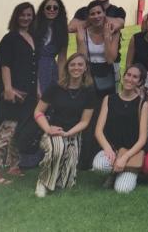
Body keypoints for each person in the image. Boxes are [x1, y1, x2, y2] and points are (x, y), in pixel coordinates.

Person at [33, 53, 96, 197]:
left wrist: (69, 133)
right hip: (53, 131)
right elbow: (38, 111)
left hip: (73, 133)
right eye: (72, 64)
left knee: (65, 184)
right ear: (67, 67)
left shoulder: (89, 91)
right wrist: (48, 128)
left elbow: (85, 121)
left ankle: (55, 176)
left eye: (80, 64)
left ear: (86, 68)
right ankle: (42, 182)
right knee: (58, 149)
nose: (76, 68)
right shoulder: (55, 87)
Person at [0, 2, 38, 184]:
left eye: (29, 15)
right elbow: (4, 64)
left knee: (19, 130)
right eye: (22, 14)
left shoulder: (32, 37)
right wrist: (8, 89)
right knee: (5, 131)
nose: (26, 18)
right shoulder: (10, 38)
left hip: (29, 94)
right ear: (16, 16)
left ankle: (14, 165)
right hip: (13, 94)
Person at [93, 64, 148, 193]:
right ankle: (113, 173)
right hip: (113, 150)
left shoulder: (142, 104)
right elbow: (98, 131)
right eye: (128, 75)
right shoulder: (109, 99)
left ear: (140, 82)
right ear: (123, 77)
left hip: (131, 153)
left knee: (122, 189)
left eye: (135, 77)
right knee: (99, 165)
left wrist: (124, 158)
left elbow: (142, 139)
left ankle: (122, 173)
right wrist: (108, 149)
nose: (130, 79)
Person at [69, 0, 126, 83]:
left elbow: (119, 24)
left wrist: (96, 19)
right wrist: (94, 20)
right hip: (89, 66)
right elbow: (71, 27)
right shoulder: (83, 11)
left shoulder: (118, 11)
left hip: (111, 64)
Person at [76, 1, 120, 98]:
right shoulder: (83, 33)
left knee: (107, 104)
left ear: (104, 14)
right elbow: (82, 59)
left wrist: (107, 38)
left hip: (107, 72)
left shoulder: (114, 32)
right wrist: (80, 40)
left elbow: (110, 60)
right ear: (88, 17)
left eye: (99, 12)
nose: (96, 16)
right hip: (89, 73)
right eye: (92, 14)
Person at [34, 0, 68, 94]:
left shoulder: (62, 31)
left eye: (55, 8)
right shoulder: (34, 27)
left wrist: (62, 81)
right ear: (43, 10)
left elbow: (62, 59)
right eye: (48, 7)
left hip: (51, 70)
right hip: (34, 68)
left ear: (59, 10)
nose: (52, 10)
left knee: (49, 103)